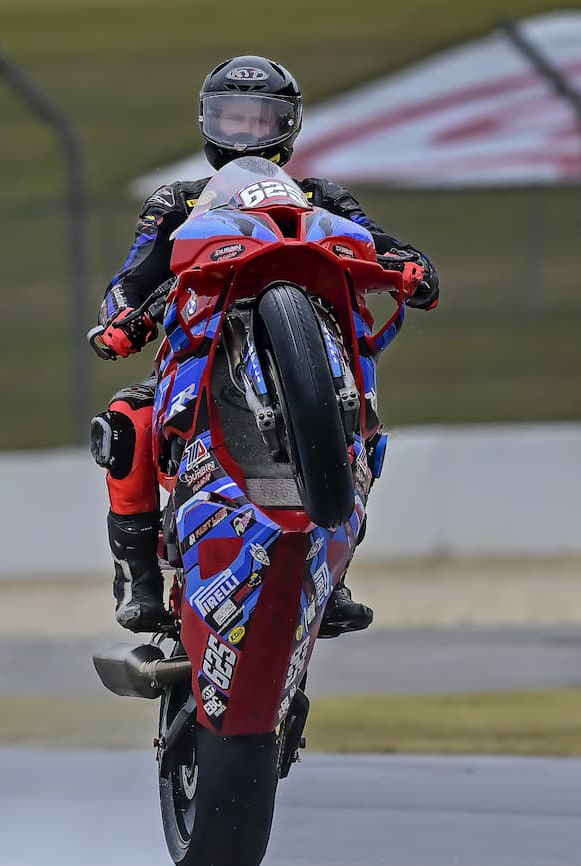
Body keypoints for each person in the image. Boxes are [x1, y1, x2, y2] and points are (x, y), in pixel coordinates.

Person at [89, 55, 439, 634]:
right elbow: (136, 274)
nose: (246, 136)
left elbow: (380, 243)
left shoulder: (320, 196)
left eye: (261, 122)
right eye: (232, 121)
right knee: (128, 420)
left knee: (367, 431)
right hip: (203, 349)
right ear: (207, 124)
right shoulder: (176, 202)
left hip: (315, 349)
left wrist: (411, 268)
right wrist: (120, 318)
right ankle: (138, 578)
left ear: (289, 127)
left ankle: (334, 567)